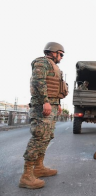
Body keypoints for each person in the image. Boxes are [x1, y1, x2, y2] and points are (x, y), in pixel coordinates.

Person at [19, 42, 68, 189]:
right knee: (39, 137)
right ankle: (26, 176)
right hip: (42, 107)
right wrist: (45, 102)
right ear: (53, 52)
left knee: (47, 137)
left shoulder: (54, 67)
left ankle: (38, 168)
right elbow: (38, 82)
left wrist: (57, 103)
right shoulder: (41, 62)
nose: (61, 57)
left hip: (51, 106)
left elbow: (55, 86)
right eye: (61, 54)